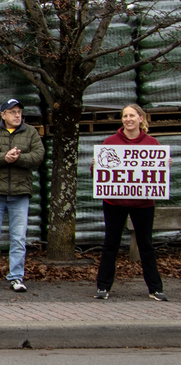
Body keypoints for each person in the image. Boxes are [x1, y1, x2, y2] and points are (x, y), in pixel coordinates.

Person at [94, 104, 169, 301]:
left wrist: (164, 166)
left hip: (143, 204)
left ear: (141, 119)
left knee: (146, 245)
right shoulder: (110, 142)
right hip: (114, 203)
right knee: (111, 244)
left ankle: (155, 288)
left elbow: (157, 175)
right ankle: (103, 287)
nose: (128, 119)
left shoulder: (152, 143)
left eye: (132, 116)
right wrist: (96, 167)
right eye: (125, 116)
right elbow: (100, 176)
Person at [0, 99, 44, 292]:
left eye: (19, 112)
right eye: (12, 112)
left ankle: (16, 277)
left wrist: (19, 158)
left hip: (20, 192)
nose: (17, 115)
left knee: (19, 238)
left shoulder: (30, 132)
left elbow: (39, 156)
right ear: (3, 114)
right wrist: (4, 157)